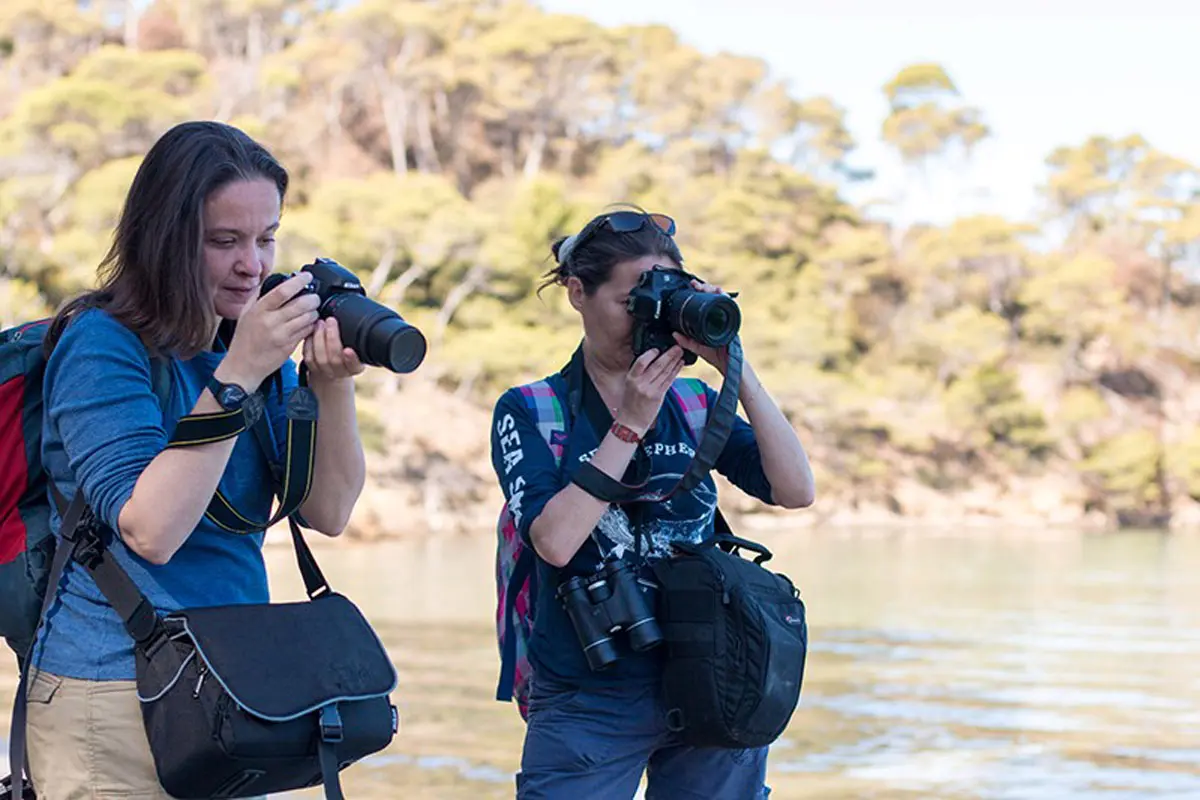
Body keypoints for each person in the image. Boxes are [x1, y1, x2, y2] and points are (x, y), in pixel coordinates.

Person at [23, 120, 367, 800]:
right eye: (225, 241)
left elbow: (328, 511)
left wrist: (331, 384)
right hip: (112, 691)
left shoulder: (250, 348)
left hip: (234, 688)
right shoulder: (102, 345)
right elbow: (151, 530)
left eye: (267, 238)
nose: (255, 264)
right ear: (166, 238)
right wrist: (238, 375)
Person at [489, 208, 816, 799]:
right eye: (628, 301)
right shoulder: (534, 408)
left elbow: (796, 490)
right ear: (577, 293)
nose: (644, 318)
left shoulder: (692, 403)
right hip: (590, 691)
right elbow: (555, 542)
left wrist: (735, 370)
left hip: (714, 673)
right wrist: (629, 425)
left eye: (658, 299)